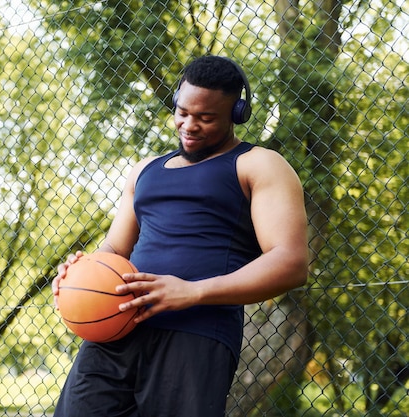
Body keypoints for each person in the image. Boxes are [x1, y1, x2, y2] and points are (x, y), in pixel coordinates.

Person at [51, 55, 309, 417]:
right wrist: (80, 272)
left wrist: (193, 291)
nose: (189, 125)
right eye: (183, 112)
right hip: (114, 326)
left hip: (198, 331)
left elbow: (291, 262)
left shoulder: (259, 165)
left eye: (206, 118)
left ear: (237, 113)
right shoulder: (144, 171)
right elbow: (114, 248)